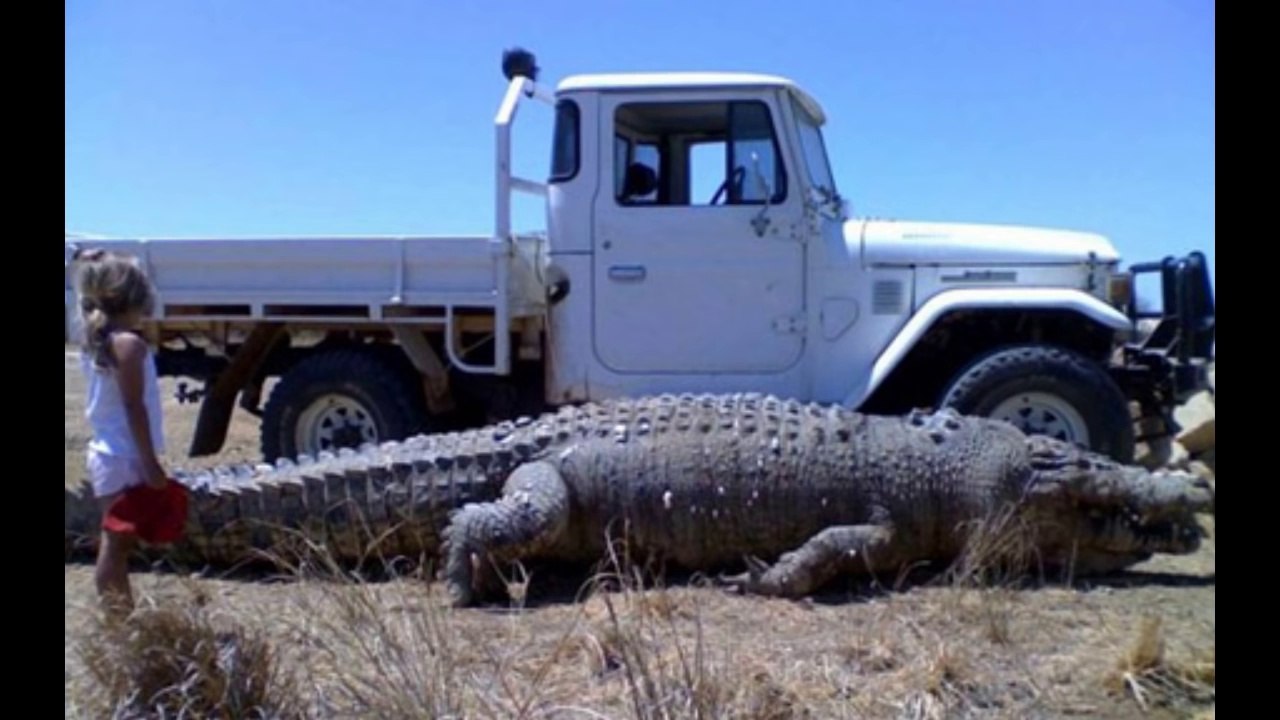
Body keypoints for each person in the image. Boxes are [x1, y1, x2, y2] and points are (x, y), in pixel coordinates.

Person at [71, 247, 171, 619]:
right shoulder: (128, 344)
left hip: (109, 452)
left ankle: (121, 619)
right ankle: (120, 623)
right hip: (124, 454)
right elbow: (134, 406)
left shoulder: (98, 339)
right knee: (116, 543)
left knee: (118, 542)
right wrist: (150, 464)